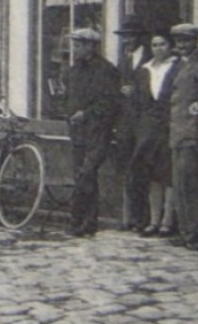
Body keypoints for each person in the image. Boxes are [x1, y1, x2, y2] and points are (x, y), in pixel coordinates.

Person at [63, 27, 121, 237]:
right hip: (77, 133)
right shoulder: (73, 70)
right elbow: (67, 96)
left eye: (78, 46)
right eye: (74, 45)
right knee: (81, 176)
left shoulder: (106, 70)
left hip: (98, 132)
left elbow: (110, 102)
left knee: (86, 174)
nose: (75, 50)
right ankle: (83, 223)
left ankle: (83, 223)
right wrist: (68, 114)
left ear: (90, 46)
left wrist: (86, 114)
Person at [129, 30, 180, 237]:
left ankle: (168, 221)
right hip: (148, 129)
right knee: (151, 175)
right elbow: (138, 102)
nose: (158, 49)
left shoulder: (177, 67)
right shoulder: (144, 70)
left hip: (169, 126)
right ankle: (153, 220)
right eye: (154, 45)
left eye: (162, 45)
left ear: (170, 47)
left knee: (168, 174)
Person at [166, 24, 198, 250]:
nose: (181, 46)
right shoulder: (177, 65)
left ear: (196, 41)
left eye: (186, 41)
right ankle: (186, 232)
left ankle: (196, 233)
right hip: (177, 133)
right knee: (180, 185)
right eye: (178, 41)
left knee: (192, 186)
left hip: (192, 134)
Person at [112, 15, 152, 230]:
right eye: (124, 37)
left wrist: (136, 93)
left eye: (130, 37)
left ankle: (144, 218)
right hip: (126, 123)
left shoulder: (150, 57)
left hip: (144, 121)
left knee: (143, 169)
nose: (127, 41)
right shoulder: (123, 59)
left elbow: (156, 91)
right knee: (128, 169)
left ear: (139, 38)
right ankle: (130, 217)